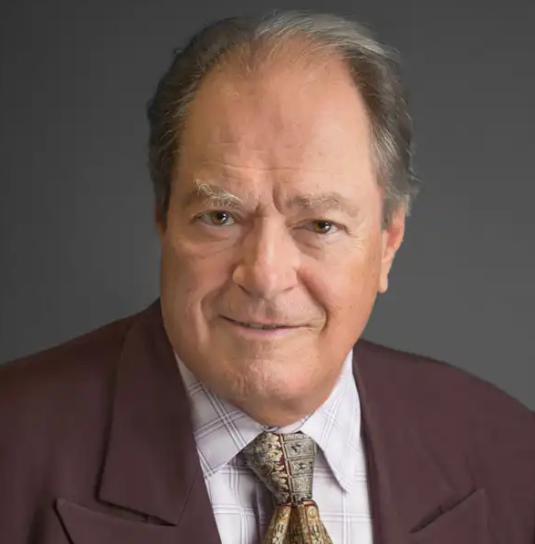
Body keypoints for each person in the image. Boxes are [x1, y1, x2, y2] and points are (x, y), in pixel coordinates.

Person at [0, 10, 533, 544]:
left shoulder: (509, 451)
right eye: (220, 216)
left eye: (320, 225)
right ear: (163, 219)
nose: (265, 275)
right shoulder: (13, 448)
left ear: (388, 241)